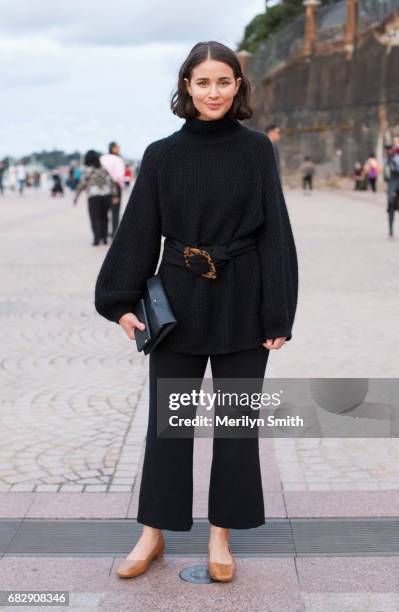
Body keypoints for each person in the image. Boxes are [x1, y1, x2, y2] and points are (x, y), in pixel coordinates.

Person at [94, 40, 298, 583]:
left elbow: (274, 229)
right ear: (187, 86)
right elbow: (138, 230)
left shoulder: (257, 150)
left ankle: (221, 536)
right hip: (179, 304)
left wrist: (278, 311)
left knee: (235, 426)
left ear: (238, 87)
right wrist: (118, 301)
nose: (214, 92)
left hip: (244, 303)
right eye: (203, 82)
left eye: (224, 82)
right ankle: (153, 532)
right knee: (169, 426)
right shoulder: (163, 155)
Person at [73, 150, 118, 246]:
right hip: (106, 195)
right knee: (104, 217)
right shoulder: (103, 169)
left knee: (95, 218)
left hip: (93, 196)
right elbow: (111, 182)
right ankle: (104, 238)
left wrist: (76, 197)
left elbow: (82, 184)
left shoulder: (86, 170)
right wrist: (115, 195)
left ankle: (97, 239)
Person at [384, 135, 399, 238]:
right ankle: (390, 230)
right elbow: (386, 166)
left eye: (398, 141)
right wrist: (390, 155)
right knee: (391, 202)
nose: (396, 144)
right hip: (393, 181)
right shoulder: (392, 153)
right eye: (394, 141)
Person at [100, 142, 125, 238]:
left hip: (103, 187)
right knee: (115, 212)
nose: (119, 149)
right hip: (115, 186)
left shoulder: (102, 158)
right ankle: (114, 233)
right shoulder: (118, 159)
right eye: (117, 147)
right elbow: (119, 175)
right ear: (113, 148)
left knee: (104, 211)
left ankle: (104, 234)